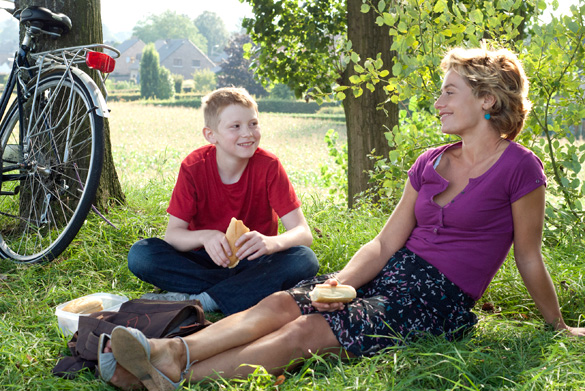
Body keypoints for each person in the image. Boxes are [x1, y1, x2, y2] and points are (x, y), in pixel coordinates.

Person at [105, 47, 585, 390]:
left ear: (487, 100)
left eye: (449, 92)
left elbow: (528, 256)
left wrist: (558, 326)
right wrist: (337, 286)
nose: (438, 102)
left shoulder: (520, 168)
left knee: (306, 333)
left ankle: (177, 373)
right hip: (391, 273)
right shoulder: (430, 161)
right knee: (281, 305)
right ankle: (166, 352)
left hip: (438, 296)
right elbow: (383, 244)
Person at [127, 87, 319, 315]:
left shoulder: (269, 166)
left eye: (253, 124)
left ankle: (203, 300)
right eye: (235, 127)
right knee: (141, 254)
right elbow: (173, 235)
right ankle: (237, 292)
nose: (248, 133)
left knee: (304, 259)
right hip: (202, 261)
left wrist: (270, 243)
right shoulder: (193, 166)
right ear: (211, 135)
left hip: (253, 260)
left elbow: (303, 233)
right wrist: (205, 236)